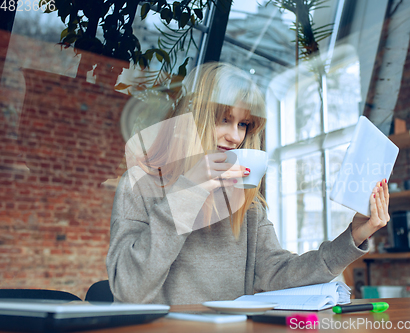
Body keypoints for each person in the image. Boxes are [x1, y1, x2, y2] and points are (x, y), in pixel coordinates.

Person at [106, 62, 390, 305]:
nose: (235, 137)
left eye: (244, 124)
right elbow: (129, 291)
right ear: (194, 118)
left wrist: (352, 237)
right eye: (224, 119)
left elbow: (278, 273)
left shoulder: (247, 203)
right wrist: (187, 194)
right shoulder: (141, 185)